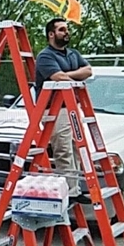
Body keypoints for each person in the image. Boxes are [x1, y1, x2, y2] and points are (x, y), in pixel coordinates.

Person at [34, 17, 93, 205]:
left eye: (66, 29)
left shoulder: (73, 54)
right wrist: (73, 77)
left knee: (76, 149)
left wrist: (69, 76)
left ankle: (74, 189)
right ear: (51, 34)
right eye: (61, 30)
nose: (66, 32)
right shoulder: (45, 56)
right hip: (55, 111)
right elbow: (57, 77)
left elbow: (88, 71)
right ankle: (69, 192)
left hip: (72, 108)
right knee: (63, 150)